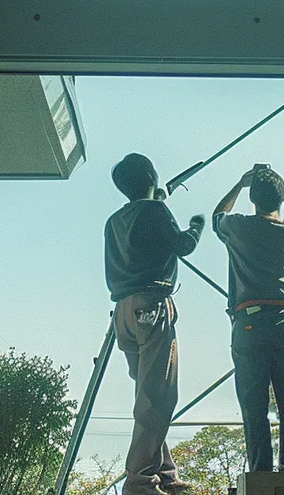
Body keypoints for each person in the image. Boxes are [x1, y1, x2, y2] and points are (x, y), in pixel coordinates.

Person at [105, 153, 205, 495]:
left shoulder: (115, 220)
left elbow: (143, 234)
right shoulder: (155, 211)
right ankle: (141, 482)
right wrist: (197, 224)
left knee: (148, 393)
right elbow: (183, 246)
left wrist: (157, 204)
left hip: (123, 313)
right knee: (158, 397)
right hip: (152, 308)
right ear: (151, 175)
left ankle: (164, 473)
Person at [213, 165, 284, 473]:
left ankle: (260, 475)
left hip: (250, 322)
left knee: (253, 403)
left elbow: (218, 215)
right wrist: (283, 189)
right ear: (280, 200)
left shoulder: (240, 227)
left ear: (253, 199)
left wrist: (240, 183)